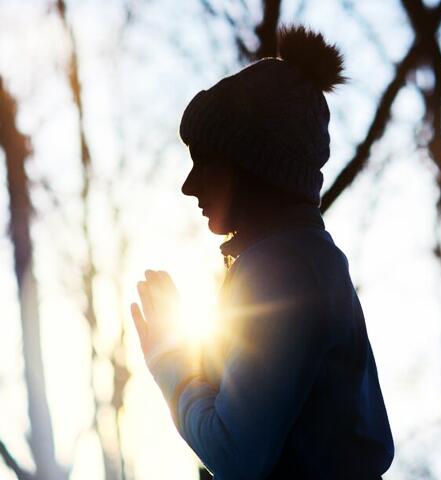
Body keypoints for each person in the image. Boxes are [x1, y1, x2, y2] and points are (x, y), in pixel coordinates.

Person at [130, 25, 394, 479]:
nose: (188, 185)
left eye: (205, 162)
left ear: (254, 168)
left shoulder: (281, 268)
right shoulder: (309, 260)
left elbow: (236, 456)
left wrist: (169, 361)